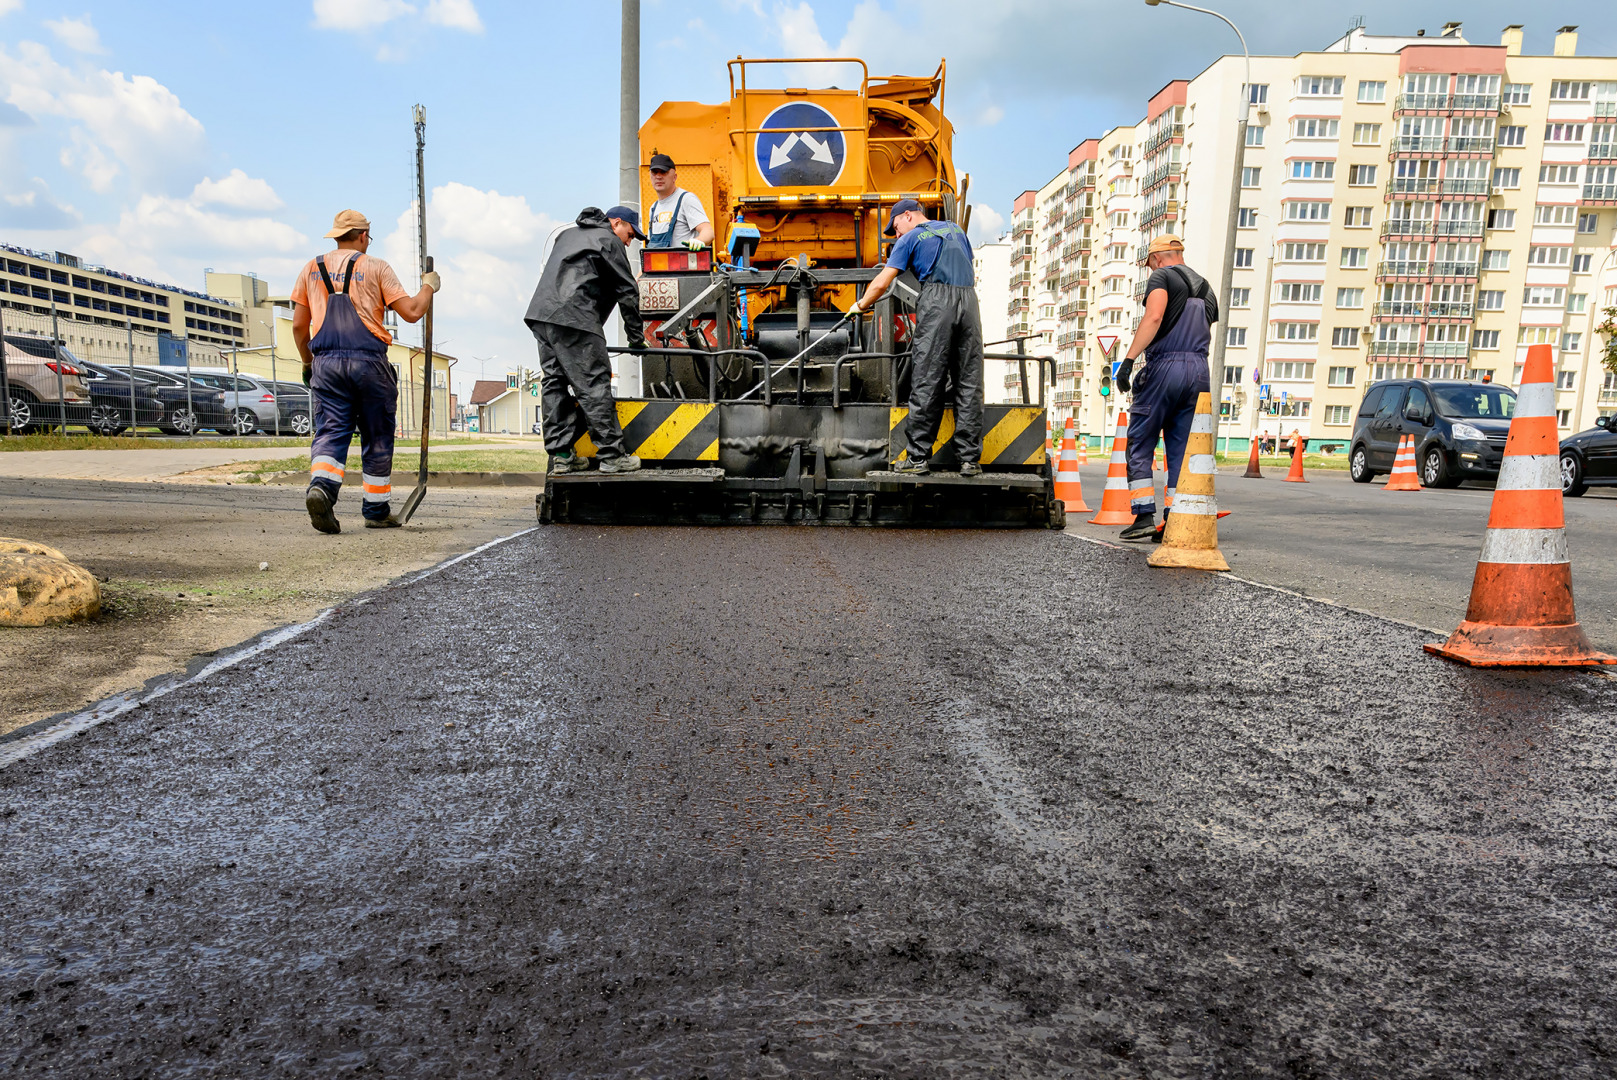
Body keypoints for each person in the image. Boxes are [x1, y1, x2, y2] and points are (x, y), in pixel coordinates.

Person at [292, 209, 438, 534]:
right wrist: (429, 287)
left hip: (326, 365)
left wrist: (307, 363)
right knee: (377, 434)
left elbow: (300, 327)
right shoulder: (376, 267)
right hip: (369, 363)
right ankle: (375, 510)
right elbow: (413, 311)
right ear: (362, 236)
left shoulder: (311, 269)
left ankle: (322, 489)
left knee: (331, 430)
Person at [850, 198, 984, 477]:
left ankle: (918, 458)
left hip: (937, 303)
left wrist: (860, 305)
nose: (896, 234)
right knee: (969, 381)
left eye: (895, 226)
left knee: (927, 378)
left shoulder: (910, 239)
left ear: (909, 216)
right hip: (970, 303)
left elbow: (881, 282)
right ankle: (970, 460)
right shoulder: (957, 231)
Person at [523, 206, 649, 474]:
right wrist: (637, 339)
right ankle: (612, 456)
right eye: (630, 233)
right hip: (574, 317)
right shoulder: (609, 240)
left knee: (554, 382)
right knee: (593, 383)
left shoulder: (566, 235)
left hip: (542, 315)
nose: (629, 241)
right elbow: (628, 291)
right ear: (616, 223)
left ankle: (562, 457)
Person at [1113, 234, 1217, 541]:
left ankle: (1144, 515)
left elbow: (1155, 315)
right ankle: (1174, 519)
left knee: (1140, 440)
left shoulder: (1162, 277)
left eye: (1149, 265)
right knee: (1181, 451)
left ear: (1157, 258)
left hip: (1165, 367)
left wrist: (1129, 361)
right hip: (1199, 372)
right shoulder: (1206, 287)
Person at [645, 153, 714, 251]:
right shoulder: (653, 208)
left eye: (663, 172)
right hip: (660, 266)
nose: (658, 177)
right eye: (654, 172)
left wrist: (699, 240)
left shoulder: (686, 199)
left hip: (685, 264)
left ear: (674, 177)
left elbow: (708, 231)